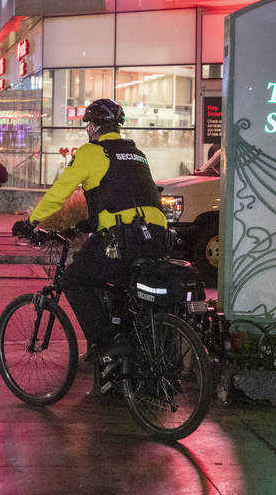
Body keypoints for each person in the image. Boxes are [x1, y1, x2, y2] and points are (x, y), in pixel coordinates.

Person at [19, 98, 168, 362]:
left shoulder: (91, 152)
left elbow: (59, 193)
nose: (88, 129)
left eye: (89, 124)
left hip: (122, 239)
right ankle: (126, 350)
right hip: (157, 236)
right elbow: (124, 195)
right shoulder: (136, 153)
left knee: (74, 280)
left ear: (94, 125)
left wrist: (32, 222)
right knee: (119, 286)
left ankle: (107, 341)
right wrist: (89, 223)